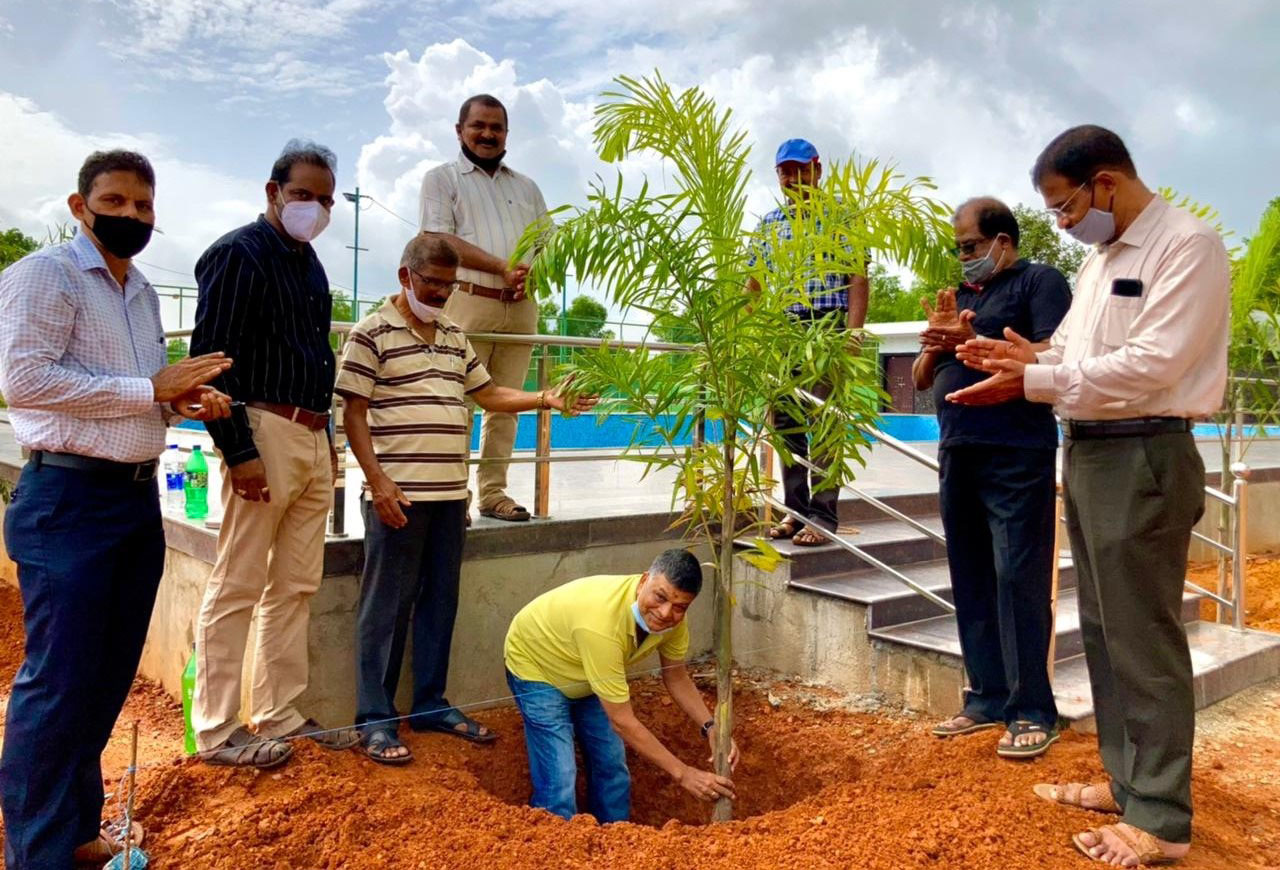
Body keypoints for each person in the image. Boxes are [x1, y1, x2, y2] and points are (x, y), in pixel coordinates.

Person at [949, 125, 1229, 866]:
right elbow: (1073, 350)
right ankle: (1128, 781)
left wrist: (1033, 380)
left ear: (1105, 182)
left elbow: (1154, 361)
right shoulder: (1104, 260)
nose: (1065, 223)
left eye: (1065, 206)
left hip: (1145, 449)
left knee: (1144, 637)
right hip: (1095, 451)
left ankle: (1162, 818)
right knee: (1106, 633)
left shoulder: (1186, 247)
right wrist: (1018, 354)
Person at [0, 150, 234, 867]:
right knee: (59, 682)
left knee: (103, 682)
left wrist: (181, 401)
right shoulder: (47, 275)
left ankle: (74, 833)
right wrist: (150, 389)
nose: (131, 215)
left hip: (133, 500)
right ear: (80, 206)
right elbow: (26, 380)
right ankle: (37, 853)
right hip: (67, 500)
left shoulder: (140, 294)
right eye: (116, 201)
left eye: (143, 206)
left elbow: (139, 388)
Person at [337, 235, 598, 764]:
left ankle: (430, 703)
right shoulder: (371, 333)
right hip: (397, 499)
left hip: (451, 498)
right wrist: (377, 481)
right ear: (405, 276)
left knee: (440, 603)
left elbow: (489, 395)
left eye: (447, 285)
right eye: (430, 282)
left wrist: (545, 398)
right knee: (385, 608)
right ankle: (376, 719)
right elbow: (354, 413)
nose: (438, 293)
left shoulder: (456, 335)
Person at [189, 139, 360, 768]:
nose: (313, 207)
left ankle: (279, 712)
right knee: (237, 582)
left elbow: (315, 357)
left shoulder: (309, 262)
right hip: (262, 430)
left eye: (325, 199)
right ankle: (215, 729)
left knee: (295, 586)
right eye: (302, 195)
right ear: (272, 192)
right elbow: (212, 361)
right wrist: (239, 451)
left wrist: (328, 443)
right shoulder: (239, 255)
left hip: (312, 435)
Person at [911, 197, 1071, 758]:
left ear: (1003, 240)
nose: (964, 258)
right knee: (972, 574)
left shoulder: (1040, 283)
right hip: (959, 449)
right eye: (958, 249)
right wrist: (936, 343)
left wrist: (973, 345)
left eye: (971, 247)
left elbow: (1056, 351)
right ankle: (985, 697)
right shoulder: (962, 299)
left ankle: (1033, 710)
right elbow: (920, 373)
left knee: (1017, 578)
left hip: (1015, 451)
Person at [503, 549, 738, 822]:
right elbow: (622, 721)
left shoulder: (675, 622)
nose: (665, 613)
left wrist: (710, 726)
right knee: (560, 776)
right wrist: (684, 774)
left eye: (679, 607)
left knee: (612, 765)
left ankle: (618, 843)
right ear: (644, 580)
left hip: (588, 673)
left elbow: (675, 676)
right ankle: (557, 847)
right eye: (659, 597)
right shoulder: (601, 624)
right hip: (536, 665)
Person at [419, 93, 549, 523]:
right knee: (457, 401)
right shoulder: (442, 180)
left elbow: (548, 244)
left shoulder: (527, 187)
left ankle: (493, 493)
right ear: (460, 130)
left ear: (507, 133)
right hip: (466, 302)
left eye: (497, 127)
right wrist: (502, 266)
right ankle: (452, 495)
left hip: (520, 306)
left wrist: (531, 274)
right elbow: (438, 241)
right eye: (478, 125)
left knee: (507, 404)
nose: (488, 134)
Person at [748, 138, 869, 547]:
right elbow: (753, 285)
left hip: (828, 329)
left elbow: (857, 277)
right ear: (778, 175)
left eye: (802, 169)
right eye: (786, 171)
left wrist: (852, 333)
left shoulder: (842, 218)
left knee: (825, 422)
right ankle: (795, 512)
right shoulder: (769, 224)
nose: (794, 178)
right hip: (783, 331)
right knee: (785, 428)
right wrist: (751, 336)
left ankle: (822, 517)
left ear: (818, 170)